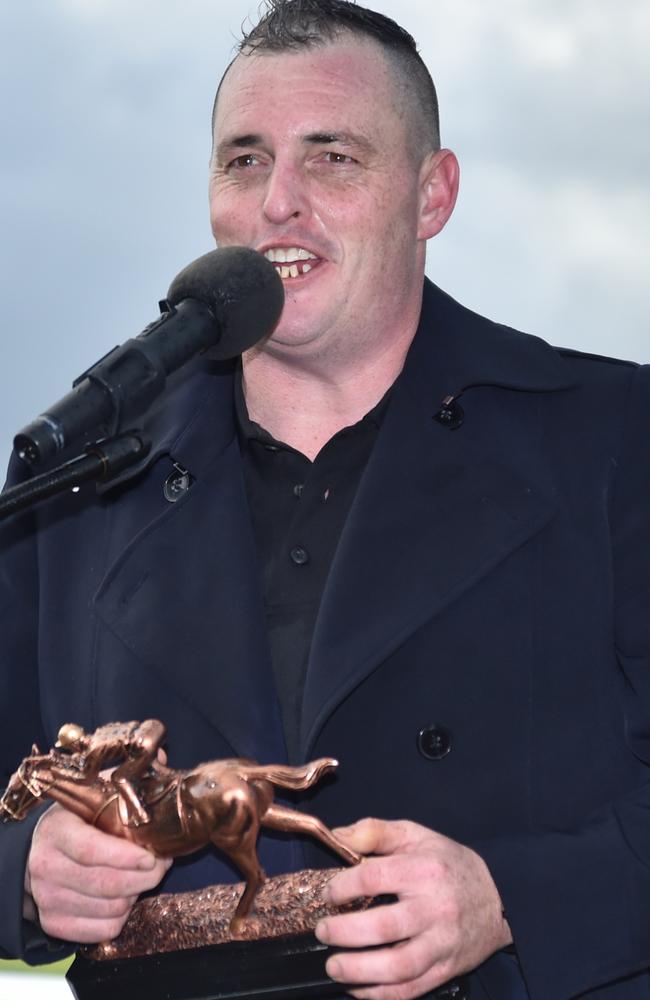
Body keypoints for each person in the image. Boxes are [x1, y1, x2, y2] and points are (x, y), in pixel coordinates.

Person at [1, 1, 649, 997]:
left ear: (430, 194)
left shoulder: (612, 438)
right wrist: (24, 873)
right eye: (245, 160)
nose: (278, 204)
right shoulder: (75, 486)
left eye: (332, 157)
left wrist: (512, 896)